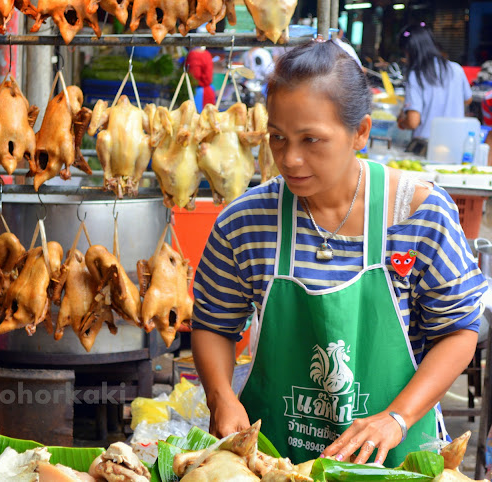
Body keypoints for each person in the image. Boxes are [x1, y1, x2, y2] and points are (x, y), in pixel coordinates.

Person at [191, 39, 486, 468]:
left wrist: (395, 418)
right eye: (277, 138)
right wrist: (220, 397)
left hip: (394, 459)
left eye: (312, 140)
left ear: (361, 132)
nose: (290, 159)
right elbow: (214, 324)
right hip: (275, 461)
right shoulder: (246, 222)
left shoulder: (419, 214)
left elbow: (459, 331)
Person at [397, 23, 473, 140]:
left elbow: (413, 121)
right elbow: (468, 99)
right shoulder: (456, 68)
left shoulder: (416, 75)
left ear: (411, 51)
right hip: (455, 143)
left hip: (426, 146)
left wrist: (402, 122)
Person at [186, 47, 215, 112]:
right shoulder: (207, 53)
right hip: (209, 91)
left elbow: (195, 76)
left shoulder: (193, 55)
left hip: (199, 93)